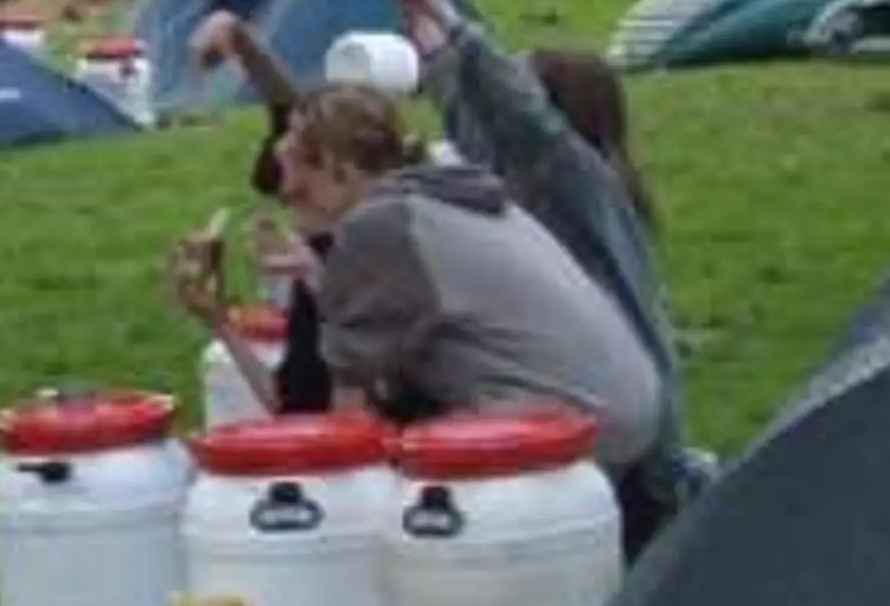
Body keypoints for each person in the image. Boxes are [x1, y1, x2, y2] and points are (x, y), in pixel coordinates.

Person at [390, 0, 704, 553]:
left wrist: (454, 23)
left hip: (631, 440)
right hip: (585, 405)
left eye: (523, 80)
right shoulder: (532, 184)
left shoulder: (585, 188)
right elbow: (477, 132)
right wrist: (432, 52)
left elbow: (523, 121)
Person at [271, 81, 669, 502]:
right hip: (628, 404)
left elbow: (346, 414)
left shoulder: (379, 226)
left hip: (571, 423)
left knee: (394, 478)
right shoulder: (448, 197)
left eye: (298, 173)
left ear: (339, 169)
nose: (287, 192)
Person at [161, 8, 336, 414]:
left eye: (292, 193)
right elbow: (290, 404)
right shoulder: (320, 270)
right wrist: (217, 319)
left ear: (335, 175)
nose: (289, 209)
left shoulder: (368, 266)